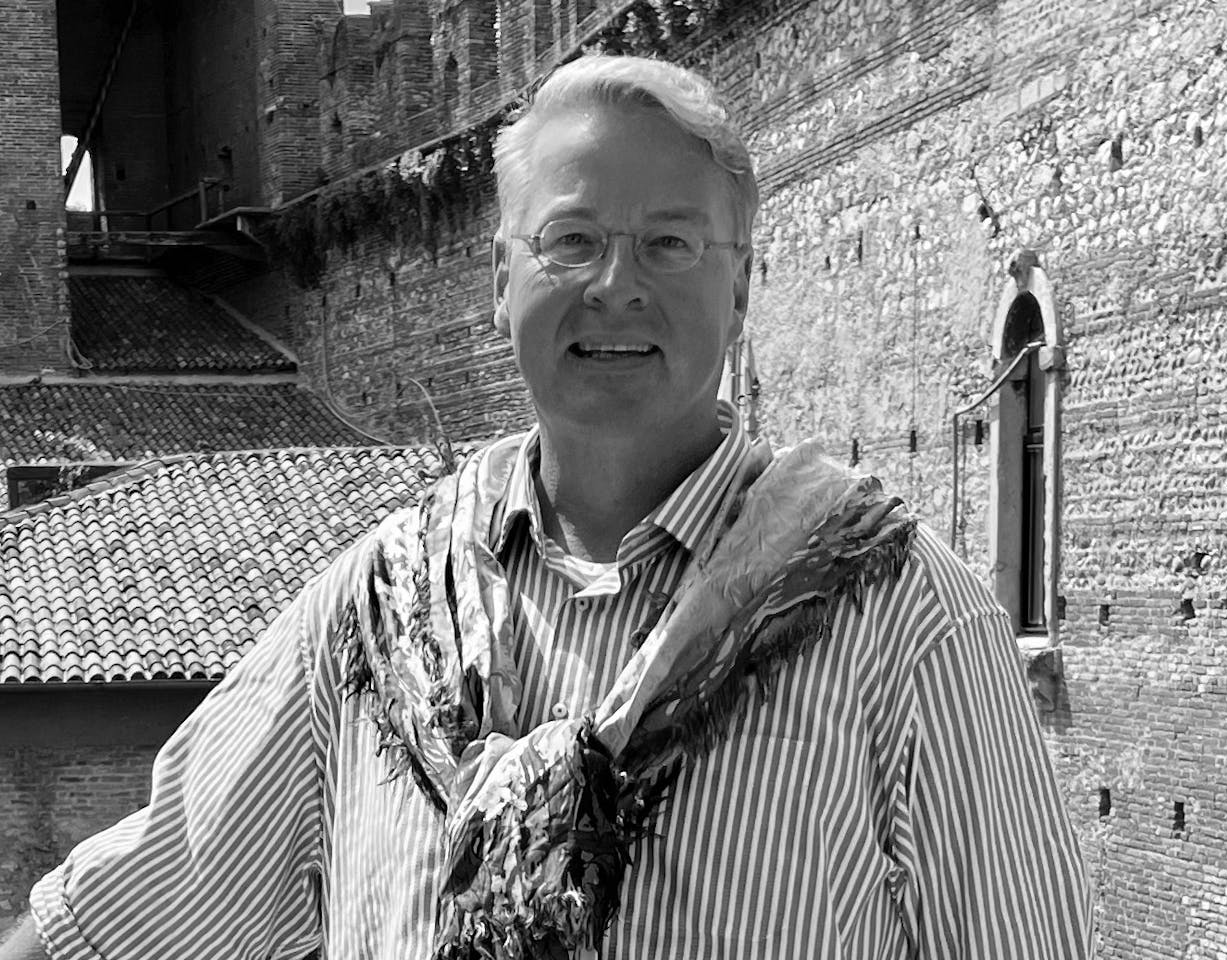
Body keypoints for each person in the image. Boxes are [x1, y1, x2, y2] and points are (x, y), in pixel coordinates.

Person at [0, 54, 1094, 960]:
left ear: (743, 286)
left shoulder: (902, 622)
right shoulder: (373, 616)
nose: (616, 284)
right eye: (570, 240)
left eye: (669, 243)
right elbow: (125, 914)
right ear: (497, 279)